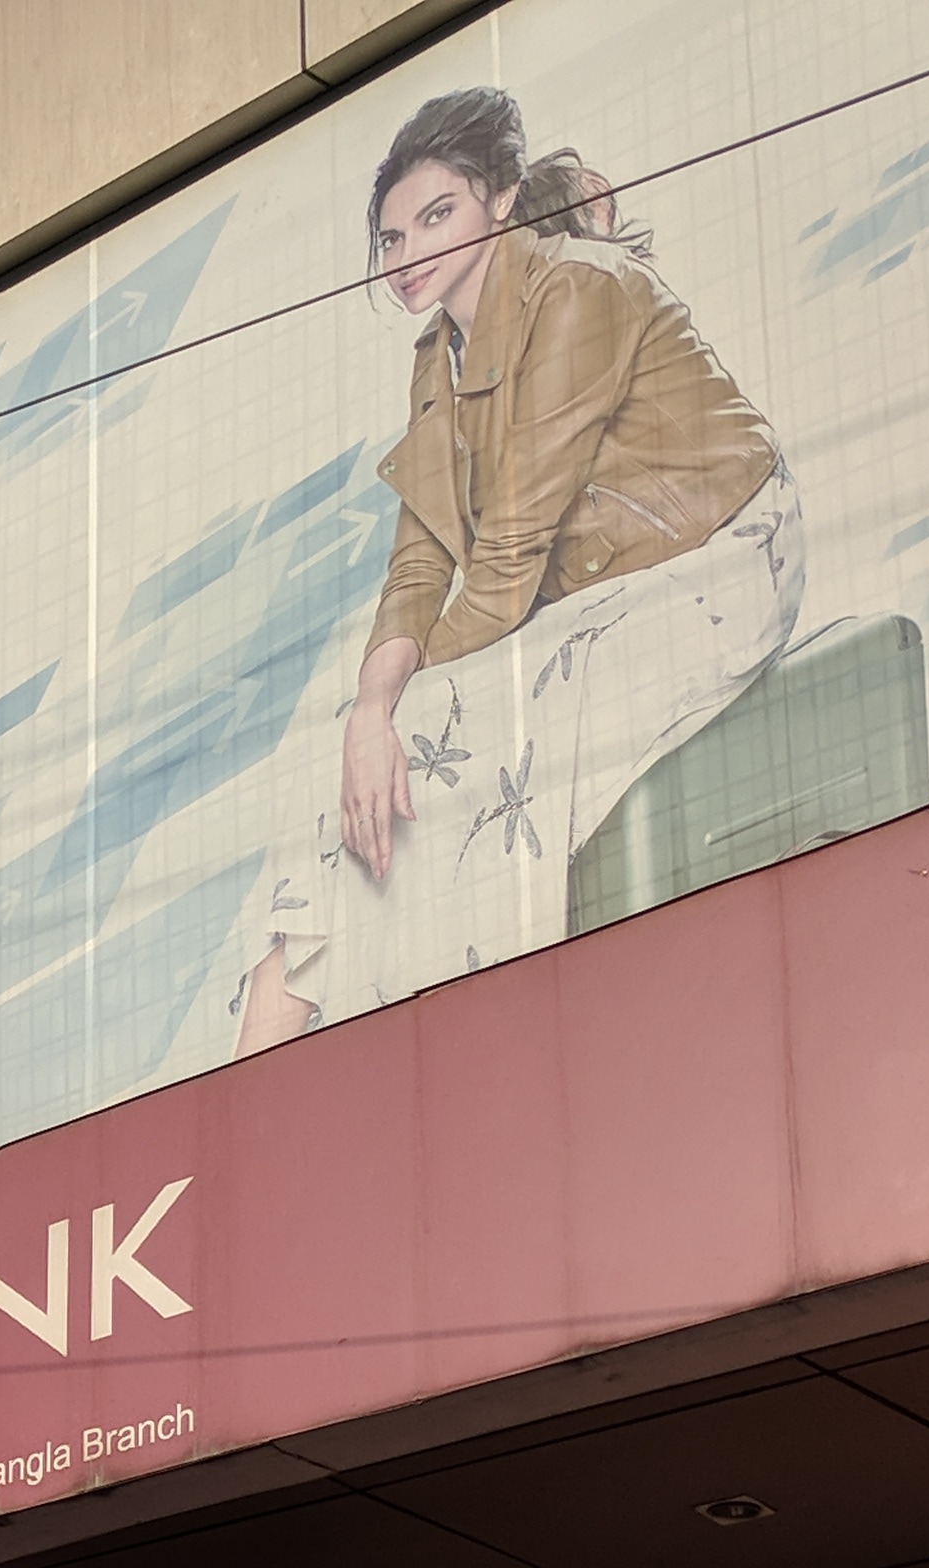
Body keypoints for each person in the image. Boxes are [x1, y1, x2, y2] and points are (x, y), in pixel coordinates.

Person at [234, 85, 797, 1054]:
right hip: (588, 588)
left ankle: (399, 1048)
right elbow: (418, 565)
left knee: (446, 744)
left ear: (499, 199)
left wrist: (400, 712)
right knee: (356, 752)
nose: (407, 254)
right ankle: (266, 1079)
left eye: (435, 216)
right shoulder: (436, 358)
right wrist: (369, 709)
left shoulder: (578, 292)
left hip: (718, 556)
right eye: (391, 237)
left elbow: (500, 568)